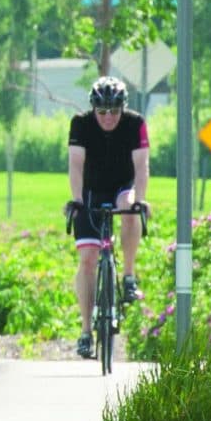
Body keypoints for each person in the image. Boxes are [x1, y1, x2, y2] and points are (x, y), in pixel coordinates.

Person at [66, 75, 151, 356]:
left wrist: (139, 200)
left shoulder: (135, 123)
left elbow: (141, 166)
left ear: (123, 109)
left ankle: (128, 275)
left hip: (122, 188)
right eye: (101, 111)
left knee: (129, 208)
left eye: (114, 111)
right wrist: (77, 199)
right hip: (90, 192)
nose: (108, 117)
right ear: (93, 109)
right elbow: (76, 164)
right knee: (88, 259)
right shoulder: (80, 123)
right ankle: (86, 332)